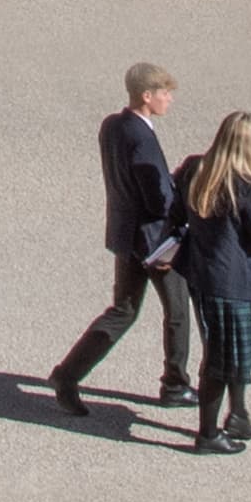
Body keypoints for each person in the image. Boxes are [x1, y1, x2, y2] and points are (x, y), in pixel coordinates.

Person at [45, 64, 191, 419]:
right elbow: (158, 200)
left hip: (126, 235)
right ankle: (175, 384)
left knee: (123, 311)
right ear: (146, 96)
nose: (169, 99)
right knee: (177, 311)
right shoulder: (142, 138)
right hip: (155, 241)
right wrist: (181, 196)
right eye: (164, 93)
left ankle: (68, 374)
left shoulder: (113, 126)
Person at [169, 109, 251, 452]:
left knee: (230, 351)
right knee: (221, 360)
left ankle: (238, 414)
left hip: (204, 275)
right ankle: (208, 434)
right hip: (232, 283)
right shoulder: (246, 186)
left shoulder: (196, 169)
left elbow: (176, 214)